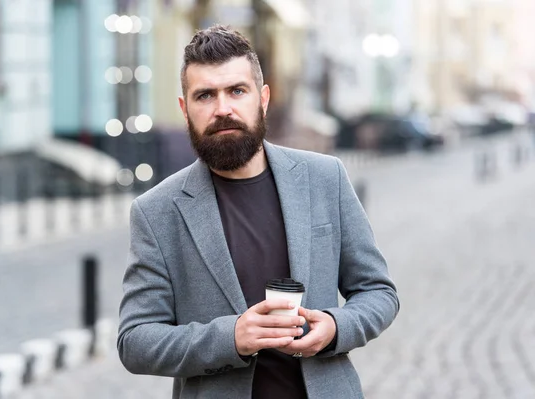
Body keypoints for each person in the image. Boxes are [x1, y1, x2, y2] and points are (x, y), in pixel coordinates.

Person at [118, 25, 399, 399]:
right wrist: (231, 338)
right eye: (205, 95)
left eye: (237, 90)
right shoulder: (156, 212)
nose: (223, 109)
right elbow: (135, 340)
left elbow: (377, 291)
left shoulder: (324, 178)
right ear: (185, 109)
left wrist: (335, 326)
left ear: (262, 98)